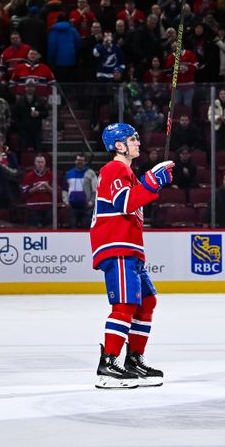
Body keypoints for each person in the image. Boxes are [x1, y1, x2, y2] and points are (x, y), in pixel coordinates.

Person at [91, 122, 174, 389]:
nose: (138, 142)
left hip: (130, 250)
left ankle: (134, 360)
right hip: (117, 248)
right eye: (133, 139)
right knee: (125, 305)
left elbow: (134, 199)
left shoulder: (128, 173)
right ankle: (108, 363)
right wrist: (153, 180)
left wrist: (150, 183)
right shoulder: (114, 168)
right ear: (118, 145)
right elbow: (125, 203)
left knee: (146, 302)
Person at [21, 154, 53, 228]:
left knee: (49, 229)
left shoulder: (50, 175)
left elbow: (55, 193)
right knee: (33, 229)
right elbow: (25, 193)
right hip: (33, 207)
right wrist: (36, 187)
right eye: (38, 162)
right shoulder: (29, 175)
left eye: (42, 162)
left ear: (45, 163)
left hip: (47, 206)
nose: (40, 164)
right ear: (35, 163)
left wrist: (46, 186)